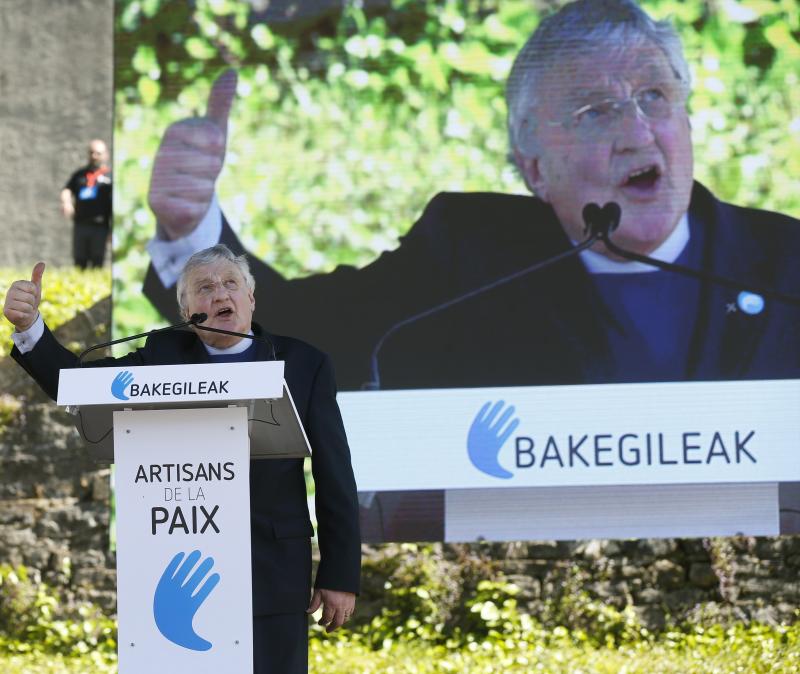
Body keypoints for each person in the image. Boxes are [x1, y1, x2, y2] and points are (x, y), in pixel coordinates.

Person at [140, 0, 800, 392]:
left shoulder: (787, 264)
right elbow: (300, 344)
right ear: (533, 167)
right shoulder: (467, 256)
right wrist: (192, 229)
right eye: (595, 110)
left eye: (655, 97)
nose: (636, 131)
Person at [3, 245, 361, 673]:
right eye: (204, 288)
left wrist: (339, 574)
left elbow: (335, 473)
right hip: (175, 568)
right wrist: (31, 329)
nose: (219, 295)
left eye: (231, 284)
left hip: (271, 570)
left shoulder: (302, 362)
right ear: (187, 310)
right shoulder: (162, 354)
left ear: (251, 298)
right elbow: (81, 386)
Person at [61, 139, 113, 269]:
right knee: (79, 261)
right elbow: (67, 189)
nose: (94, 156)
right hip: (81, 224)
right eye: (91, 153)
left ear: (106, 155)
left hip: (101, 226)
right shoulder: (80, 174)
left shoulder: (111, 176)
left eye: (98, 153)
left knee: (97, 262)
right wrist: (66, 202)